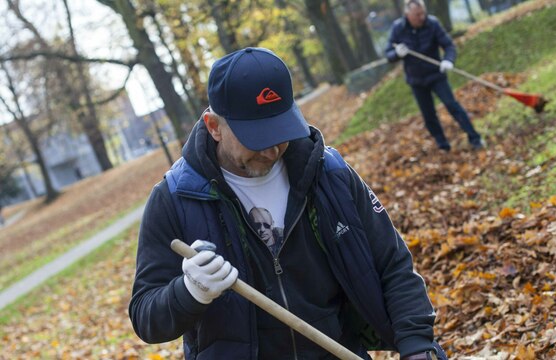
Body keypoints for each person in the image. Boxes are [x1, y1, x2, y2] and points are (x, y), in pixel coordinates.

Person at [129, 47, 447, 360]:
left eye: (280, 131)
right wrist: (190, 291)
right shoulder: (175, 198)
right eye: (257, 137)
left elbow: (391, 263)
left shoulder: (329, 174)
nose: (272, 151)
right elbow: (146, 317)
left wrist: (418, 344)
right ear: (214, 126)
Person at [386, 0, 483, 151]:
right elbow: (388, 54)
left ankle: (475, 138)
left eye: (423, 13)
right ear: (407, 14)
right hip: (416, 80)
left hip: (436, 75)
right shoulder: (398, 28)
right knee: (428, 115)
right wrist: (397, 54)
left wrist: (448, 60)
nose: (421, 17)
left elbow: (448, 45)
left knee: (452, 106)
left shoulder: (432, 24)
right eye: (417, 14)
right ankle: (443, 145)